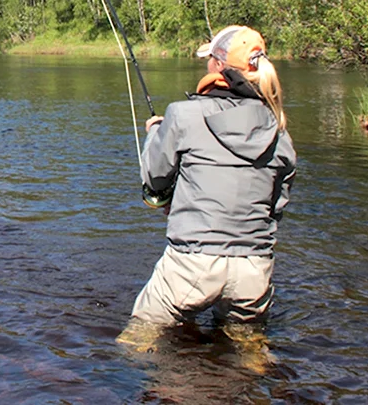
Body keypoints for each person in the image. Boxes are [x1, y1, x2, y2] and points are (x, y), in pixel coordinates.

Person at [117, 25, 296, 355]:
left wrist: (156, 133)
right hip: (254, 272)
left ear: (218, 65)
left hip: (192, 265)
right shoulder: (279, 131)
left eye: (208, 59)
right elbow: (276, 206)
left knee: (135, 343)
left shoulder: (183, 115)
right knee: (251, 354)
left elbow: (155, 180)